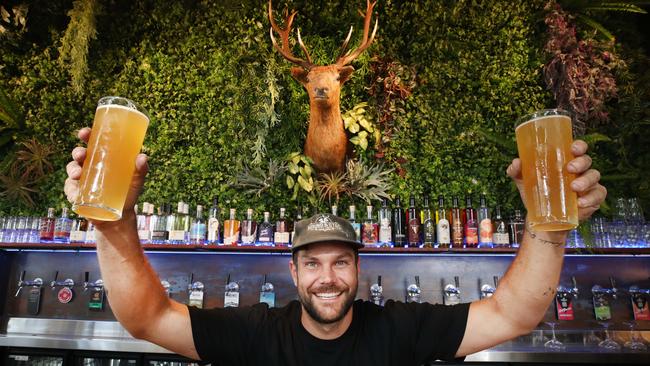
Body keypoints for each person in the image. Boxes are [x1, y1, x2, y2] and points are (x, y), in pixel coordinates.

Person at [64, 127, 606, 365]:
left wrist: (549, 229)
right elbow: (146, 319)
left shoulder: (397, 328)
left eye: (341, 261)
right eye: (314, 263)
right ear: (294, 274)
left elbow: (514, 314)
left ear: (359, 270)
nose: (328, 277)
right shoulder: (255, 334)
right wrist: (115, 223)